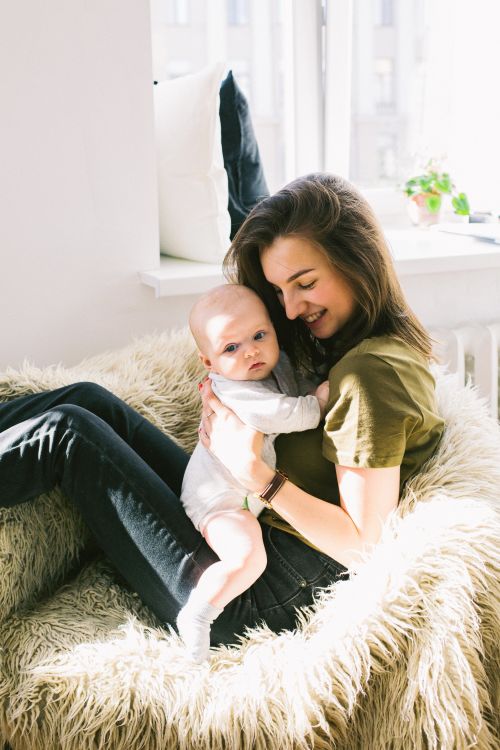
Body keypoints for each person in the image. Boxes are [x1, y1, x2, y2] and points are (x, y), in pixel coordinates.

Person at [0, 172, 444, 660]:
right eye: (279, 292)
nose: (291, 310)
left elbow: (362, 545)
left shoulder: (368, 376)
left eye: (306, 283)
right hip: (240, 520)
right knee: (91, 400)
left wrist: (257, 474)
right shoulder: (347, 345)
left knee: (70, 434)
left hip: (256, 591)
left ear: (357, 261)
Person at [177, 283, 329, 662]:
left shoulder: (269, 366)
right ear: (209, 363)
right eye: (231, 348)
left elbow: (293, 382)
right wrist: (320, 403)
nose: (251, 351)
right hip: (217, 500)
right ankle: (197, 615)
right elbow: (284, 412)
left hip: (244, 496)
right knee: (248, 558)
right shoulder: (233, 390)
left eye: (259, 335)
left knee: (251, 550)